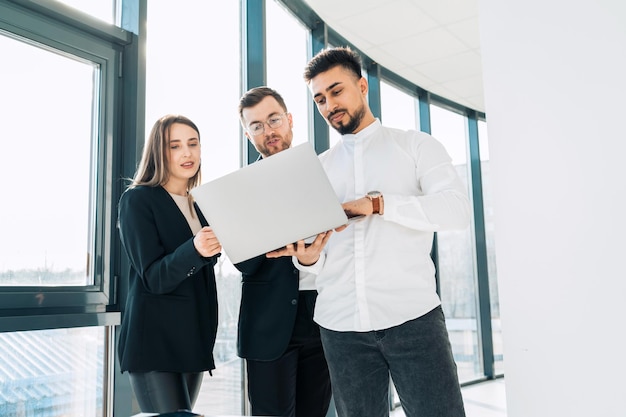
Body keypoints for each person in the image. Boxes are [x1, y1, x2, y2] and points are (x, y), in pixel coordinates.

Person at [269, 46, 471, 417]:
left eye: (336, 91)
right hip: (340, 328)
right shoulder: (318, 170)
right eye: (320, 99)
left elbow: (457, 210)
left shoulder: (415, 145)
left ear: (362, 86)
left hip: (413, 320)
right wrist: (309, 258)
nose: (329, 105)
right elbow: (318, 260)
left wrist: (379, 205)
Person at [234, 86, 333, 417]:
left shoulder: (328, 172)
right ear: (248, 134)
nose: (268, 130)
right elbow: (245, 264)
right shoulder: (239, 190)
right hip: (268, 319)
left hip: (322, 313)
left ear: (289, 120)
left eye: (273, 119)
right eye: (257, 126)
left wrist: (312, 258)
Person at [117, 114, 222, 414]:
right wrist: (195, 249)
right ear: (159, 153)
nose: (187, 153)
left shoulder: (199, 205)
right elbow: (152, 276)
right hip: (154, 343)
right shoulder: (138, 200)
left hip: (192, 340)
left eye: (193, 144)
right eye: (175, 146)